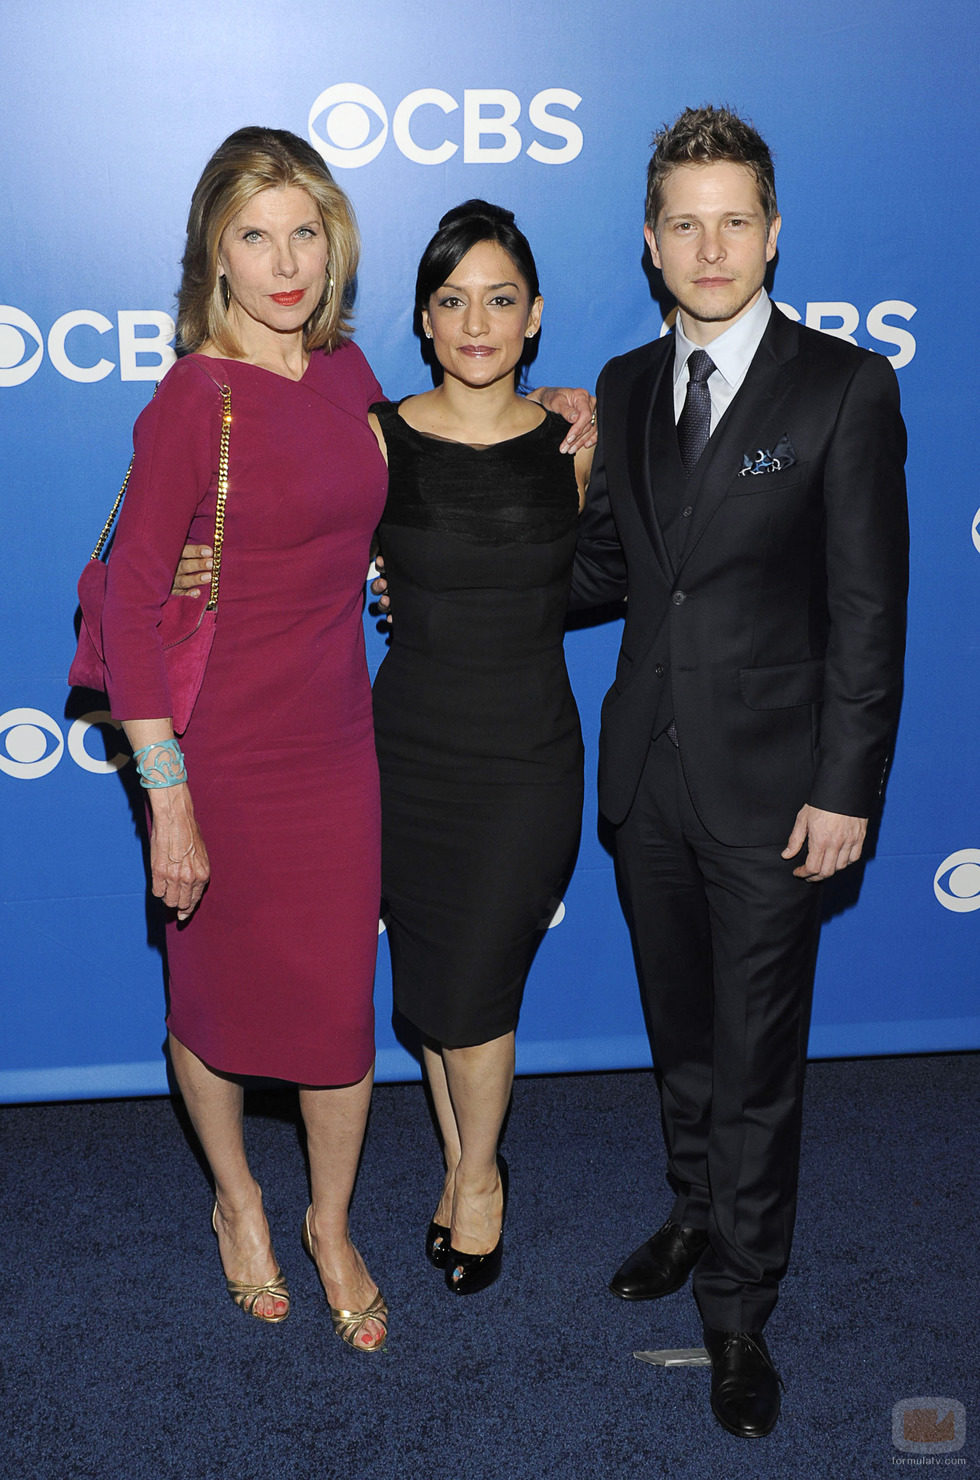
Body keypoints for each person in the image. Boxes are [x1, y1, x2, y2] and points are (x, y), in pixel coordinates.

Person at [569, 107, 909, 1436]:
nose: (711, 246)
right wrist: (455, 580)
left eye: (735, 219)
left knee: (757, 1057)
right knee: (684, 1041)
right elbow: (608, 569)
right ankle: (696, 1216)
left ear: (774, 232)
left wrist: (848, 787)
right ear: (651, 245)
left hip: (781, 793)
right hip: (647, 781)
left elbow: (868, 612)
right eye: (683, 223)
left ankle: (739, 1313)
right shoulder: (621, 385)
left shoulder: (846, 386)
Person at [100, 126, 391, 1350]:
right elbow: (124, 599)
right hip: (216, 750)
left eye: (304, 232)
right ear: (213, 259)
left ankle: (331, 1221)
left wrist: (551, 408)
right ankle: (237, 1201)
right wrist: (169, 800)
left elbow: (384, 490)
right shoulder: (189, 401)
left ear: (334, 243)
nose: (285, 263)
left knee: (335, 1012)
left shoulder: (347, 369)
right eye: (254, 237)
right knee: (211, 996)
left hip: (334, 741)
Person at [368, 201, 592, 1295]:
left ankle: (478, 1174)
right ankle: (464, 1162)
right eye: (452, 299)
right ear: (422, 318)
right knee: (426, 983)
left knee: (476, 987)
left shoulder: (573, 441)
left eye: (499, 299)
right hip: (403, 749)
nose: (475, 320)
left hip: (525, 758)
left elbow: (613, 573)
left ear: (534, 316)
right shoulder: (375, 435)